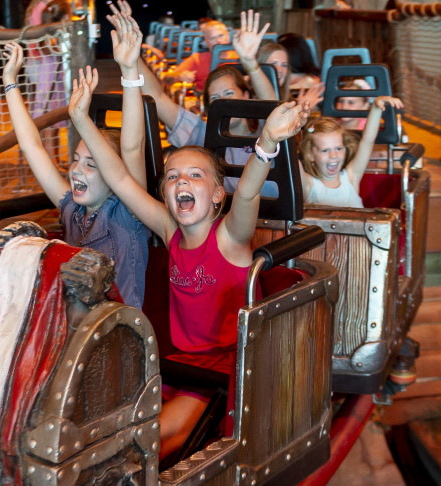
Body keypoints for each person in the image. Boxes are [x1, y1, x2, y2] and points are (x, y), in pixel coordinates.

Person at [68, 57, 306, 460]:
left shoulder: (230, 237)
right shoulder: (169, 229)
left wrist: (266, 143)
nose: (182, 181)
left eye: (196, 176)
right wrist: (80, 119)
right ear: (166, 193)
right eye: (174, 176)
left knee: (150, 440)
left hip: (221, 371)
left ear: (216, 194)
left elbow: (246, 193)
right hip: (174, 364)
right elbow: (121, 179)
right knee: (109, 426)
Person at [0, 3, 151, 307]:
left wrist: (129, 70)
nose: (77, 170)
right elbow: (32, 146)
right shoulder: (72, 208)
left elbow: (133, 147)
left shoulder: (128, 214)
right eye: (76, 160)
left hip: (115, 332)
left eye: (91, 164)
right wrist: (11, 82)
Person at [298, 96, 404, 208]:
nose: (333, 155)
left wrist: (376, 107)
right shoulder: (309, 186)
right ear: (310, 155)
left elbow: (368, 140)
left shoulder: (351, 177)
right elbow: (289, 159)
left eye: (339, 148)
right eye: (325, 150)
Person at [26, 0, 69, 124]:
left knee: (54, 101)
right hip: (41, 60)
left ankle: (54, 128)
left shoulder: (59, 8)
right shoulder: (41, 9)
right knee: (44, 102)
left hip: (54, 60)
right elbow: (40, 38)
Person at [168, 19, 230, 93]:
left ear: (228, 36)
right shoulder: (198, 59)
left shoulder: (241, 56)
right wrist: (179, 76)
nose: (219, 40)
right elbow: (166, 78)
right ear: (205, 42)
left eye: (221, 35)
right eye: (213, 38)